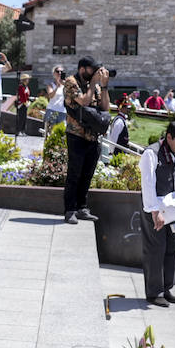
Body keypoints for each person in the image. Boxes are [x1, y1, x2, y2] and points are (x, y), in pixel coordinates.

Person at [139, 120, 175, 306]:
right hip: (154, 208)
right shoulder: (151, 153)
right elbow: (148, 184)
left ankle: (167, 287)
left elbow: (170, 180)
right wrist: (155, 212)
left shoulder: (173, 153)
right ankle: (154, 292)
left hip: (169, 208)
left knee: (172, 247)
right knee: (155, 249)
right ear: (169, 137)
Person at [62, 56, 110, 223]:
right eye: (92, 70)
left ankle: (82, 208)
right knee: (74, 174)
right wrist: (92, 84)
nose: (95, 73)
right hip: (76, 136)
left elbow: (105, 107)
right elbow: (83, 101)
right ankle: (70, 210)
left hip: (92, 136)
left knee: (87, 174)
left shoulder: (95, 85)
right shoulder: (70, 82)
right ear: (83, 69)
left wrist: (103, 86)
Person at [13, 72, 32, 136]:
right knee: (20, 118)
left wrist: (28, 102)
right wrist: (26, 103)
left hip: (25, 104)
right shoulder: (21, 87)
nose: (28, 80)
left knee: (24, 118)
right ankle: (19, 131)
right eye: (27, 79)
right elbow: (22, 96)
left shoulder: (26, 87)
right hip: (21, 105)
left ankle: (23, 130)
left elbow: (27, 96)